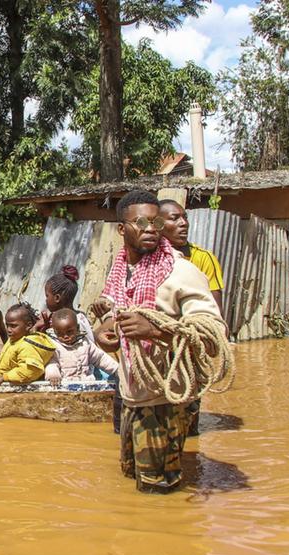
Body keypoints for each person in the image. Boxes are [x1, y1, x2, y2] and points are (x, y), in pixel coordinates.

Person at [89, 190, 225, 494]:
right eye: (141, 222)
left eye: (155, 223)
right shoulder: (122, 270)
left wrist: (156, 331)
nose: (150, 229)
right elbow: (123, 320)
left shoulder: (181, 272)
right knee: (131, 481)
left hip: (165, 401)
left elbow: (214, 338)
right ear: (122, 229)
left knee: (158, 491)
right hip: (132, 396)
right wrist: (106, 333)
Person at [157, 199, 226, 436]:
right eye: (174, 218)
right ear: (158, 224)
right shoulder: (145, 260)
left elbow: (213, 311)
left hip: (186, 346)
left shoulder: (203, 259)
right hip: (155, 349)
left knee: (188, 416)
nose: (183, 223)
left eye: (184, 217)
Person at [0, 303, 56, 390]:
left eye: (13, 326)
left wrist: (4, 377)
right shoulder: (14, 339)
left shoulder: (26, 346)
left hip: (18, 390)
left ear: (28, 326)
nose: (8, 330)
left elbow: (30, 371)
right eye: (7, 325)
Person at [44, 308, 119, 386]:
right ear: (55, 332)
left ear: (77, 328)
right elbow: (52, 363)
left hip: (87, 384)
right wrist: (53, 376)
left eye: (69, 332)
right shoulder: (55, 346)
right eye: (60, 334)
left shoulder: (85, 343)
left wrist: (116, 369)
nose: (65, 336)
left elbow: (100, 358)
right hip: (65, 385)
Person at [38, 265, 94, 341]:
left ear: (57, 298)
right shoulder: (80, 316)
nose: (46, 300)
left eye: (47, 296)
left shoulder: (70, 322)